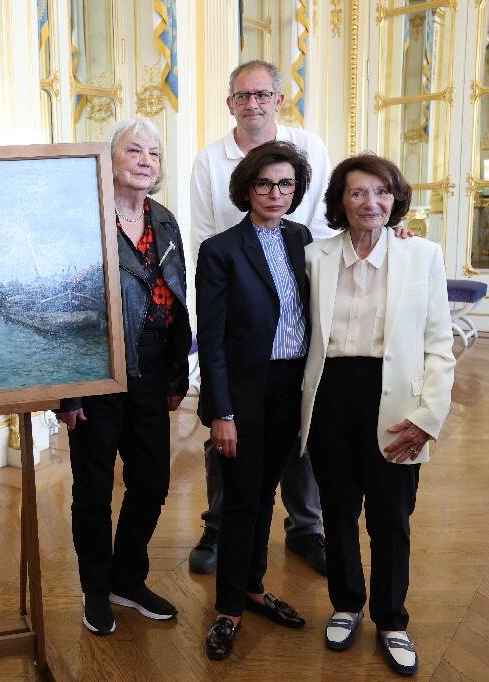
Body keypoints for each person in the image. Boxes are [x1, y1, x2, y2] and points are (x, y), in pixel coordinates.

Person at [300, 154, 454, 677]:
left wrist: (429, 417)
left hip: (396, 402)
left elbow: (439, 344)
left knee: (391, 517)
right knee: (338, 512)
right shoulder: (315, 256)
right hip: (331, 394)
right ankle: (347, 605)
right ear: (341, 203)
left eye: (382, 192)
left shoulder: (422, 254)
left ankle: (392, 619)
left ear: (396, 198)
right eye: (359, 193)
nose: (372, 202)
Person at [188, 59, 332, 576]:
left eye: (263, 94)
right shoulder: (210, 160)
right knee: (225, 431)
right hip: (236, 292)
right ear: (231, 103)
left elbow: (325, 223)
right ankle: (220, 523)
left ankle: (306, 527)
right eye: (243, 96)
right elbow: (205, 233)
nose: (253, 104)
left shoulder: (310, 147)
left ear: (279, 99)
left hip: (297, 284)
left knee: (300, 428)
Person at [54, 118, 191, 635]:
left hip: (154, 372)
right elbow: (66, 306)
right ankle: (95, 589)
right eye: (134, 150)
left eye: (153, 154)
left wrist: (177, 373)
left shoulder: (166, 220)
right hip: (98, 374)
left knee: (152, 481)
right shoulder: (84, 220)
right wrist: (68, 392)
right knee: (92, 489)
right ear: (109, 159)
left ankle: (126, 577)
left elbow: (175, 299)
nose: (145, 161)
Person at [197, 141, 313, 660]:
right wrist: (221, 411)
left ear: (296, 191)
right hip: (245, 394)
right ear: (247, 188)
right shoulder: (221, 249)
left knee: (266, 493)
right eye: (265, 183)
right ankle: (227, 609)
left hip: (293, 388)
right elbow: (214, 338)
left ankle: (253, 587)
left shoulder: (302, 239)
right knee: (242, 499)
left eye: (285, 184)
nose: (275, 193)